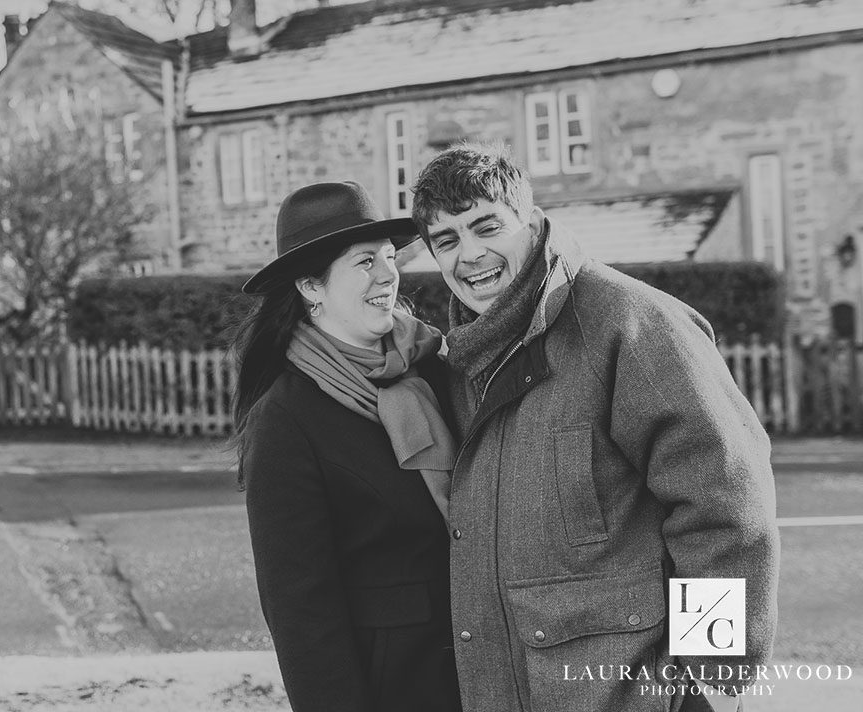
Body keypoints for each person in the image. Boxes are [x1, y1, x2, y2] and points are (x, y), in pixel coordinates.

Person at [410, 142, 780, 712]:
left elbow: (724, 501)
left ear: (530, 224)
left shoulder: (632, 324)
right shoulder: (459, 359)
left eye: (487, 227)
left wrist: (714, 676)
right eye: (448, 240)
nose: (471, 254)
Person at [233, 180, 462, 712]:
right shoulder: (286, 418)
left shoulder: (437, 364)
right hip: (396, 688)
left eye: (389, 257)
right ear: (311, 286)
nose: (389, 274)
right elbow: (300, 610)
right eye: (364, 262)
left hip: (489, 668)